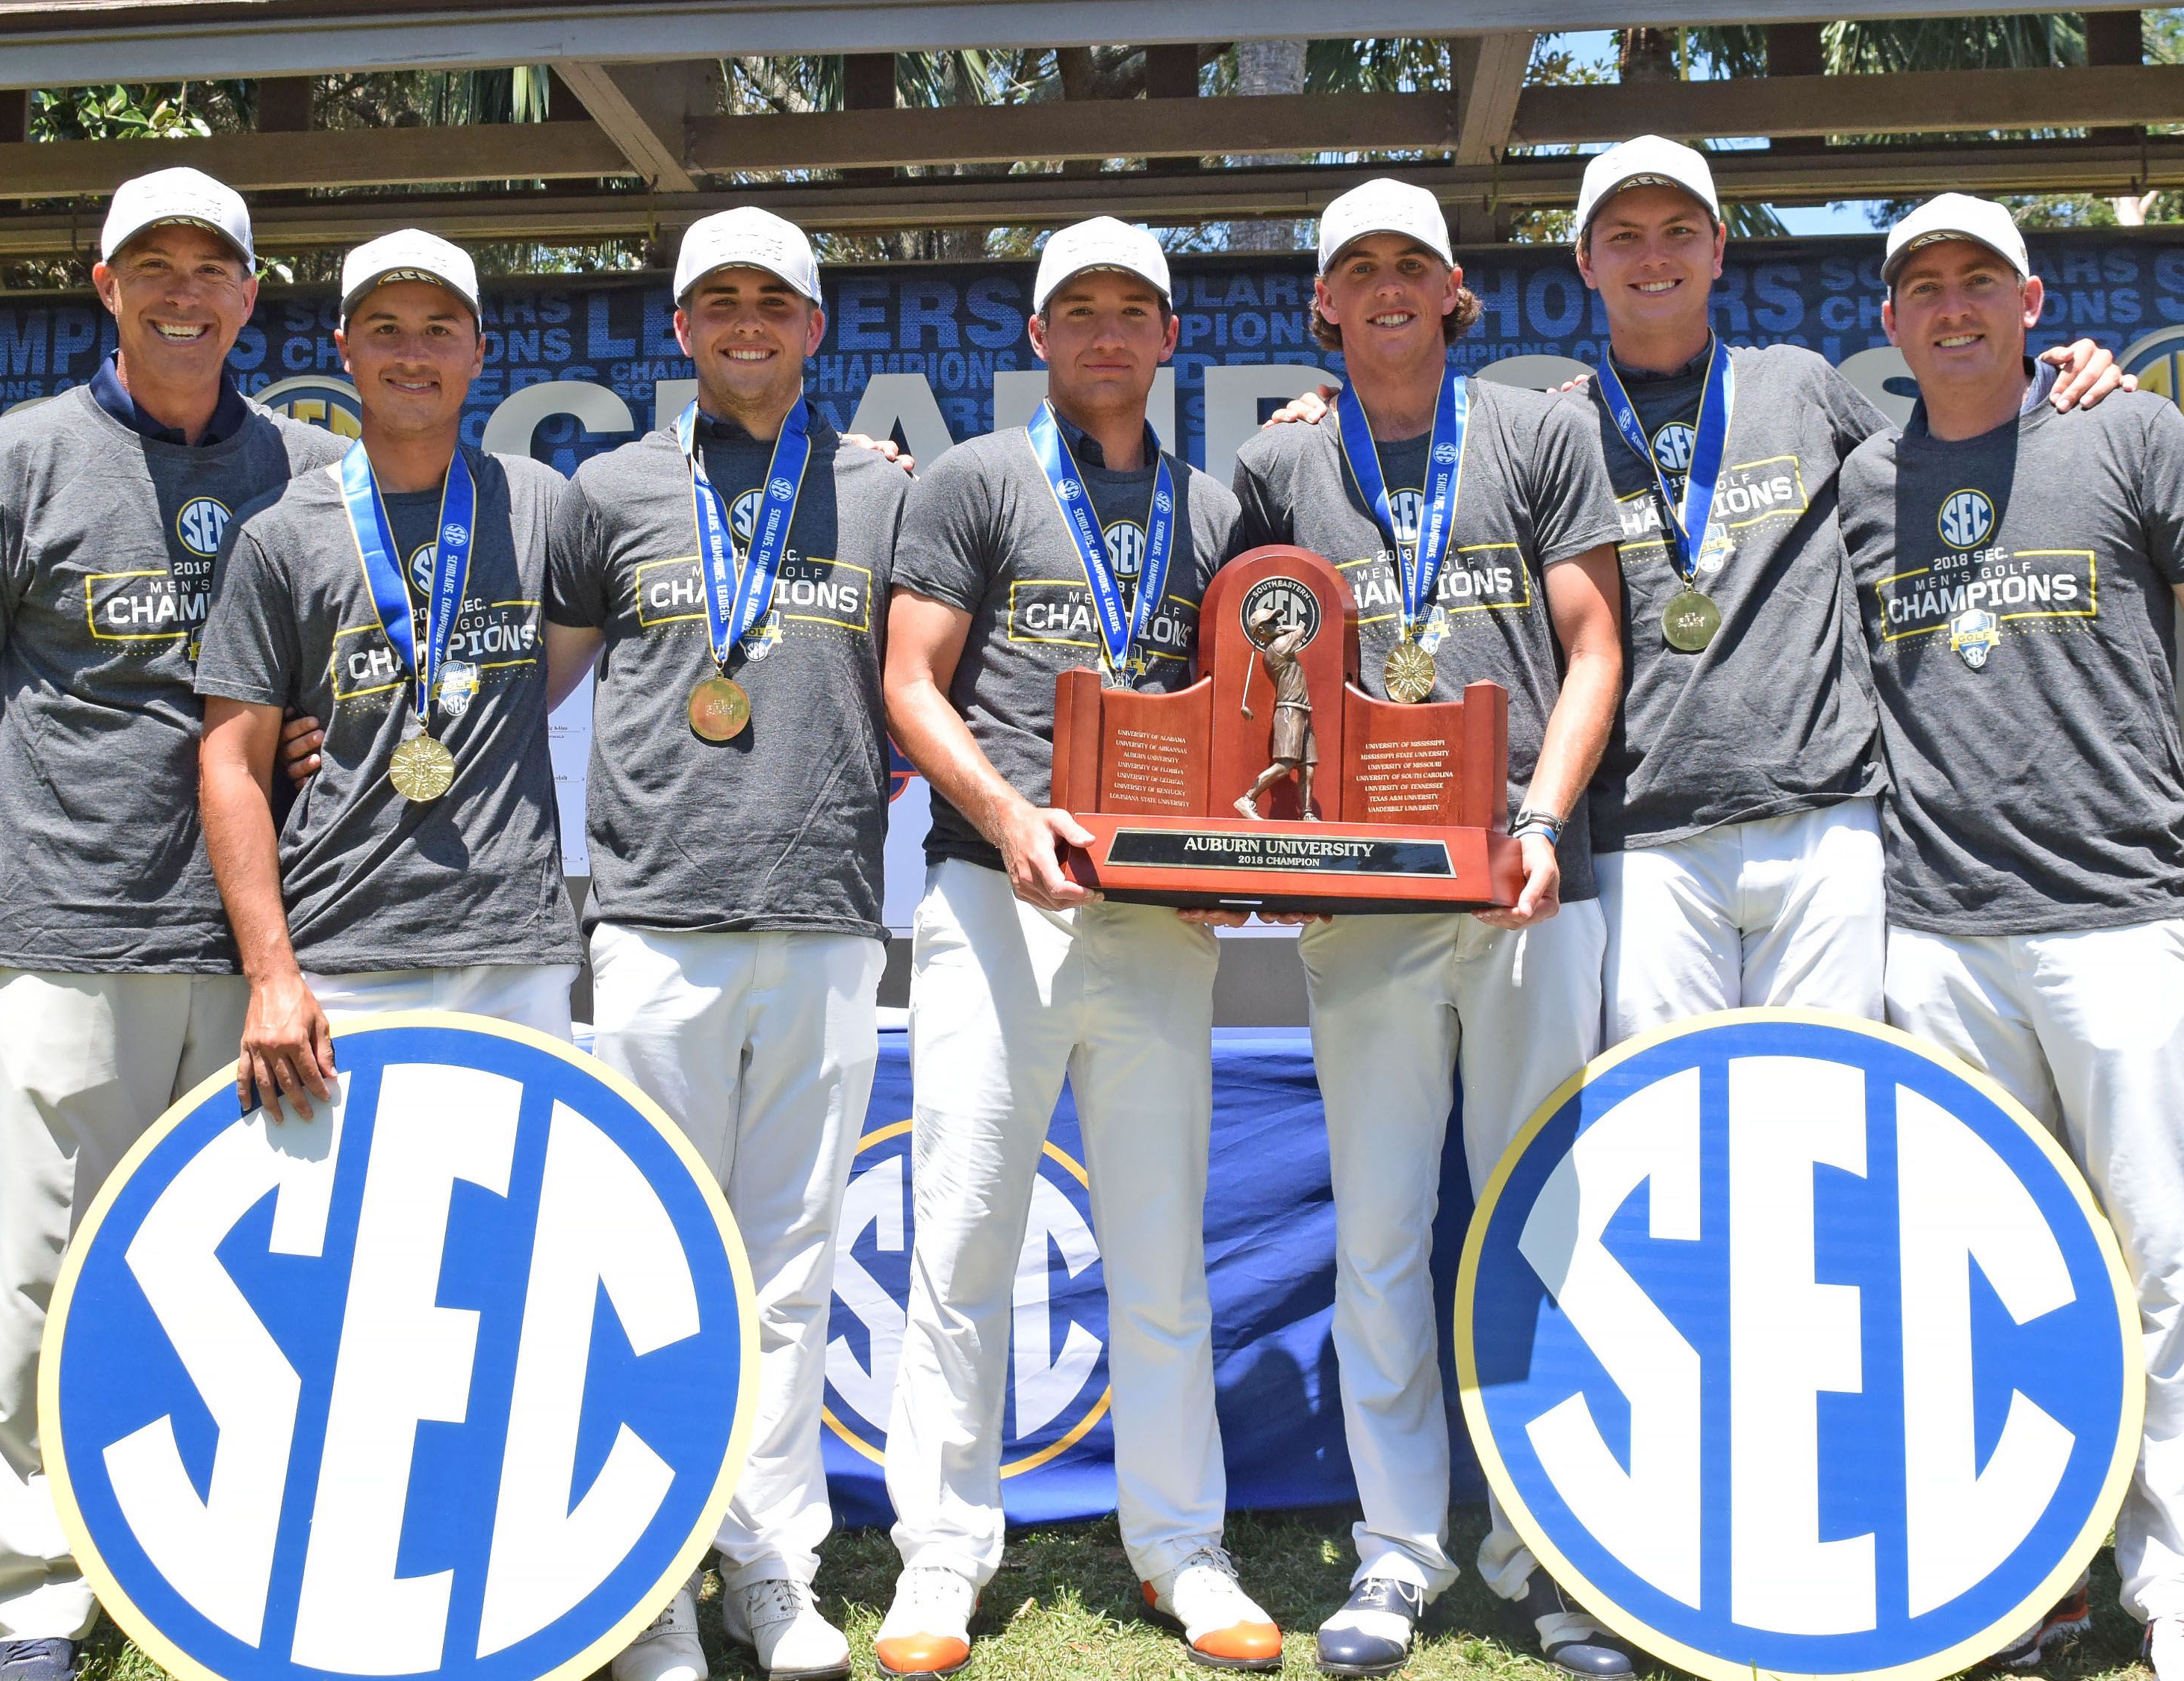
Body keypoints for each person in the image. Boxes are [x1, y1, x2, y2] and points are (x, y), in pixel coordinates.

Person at [1276, 137, 2127, 1044]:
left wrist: (2048, 378)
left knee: (1825, 1109)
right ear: (1585, 262)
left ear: (1718, 249)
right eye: (1625, 235)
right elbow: (1423, 441)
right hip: (1643, 838)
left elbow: (1939, 457)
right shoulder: (1555, 425)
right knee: (1672, 1126)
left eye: (1679, 231)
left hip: (1821, 817)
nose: (1653, 256)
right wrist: (1333, 407)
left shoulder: (1798, 383)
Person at [1840, 194, 2184, 1681]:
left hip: (2116, 918)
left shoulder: (2128, 432)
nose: (1952, 305)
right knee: (1976, 1269)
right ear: (1893, 323)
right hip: (1933, 933)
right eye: (1923, 286)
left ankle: (2179, 1588)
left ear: (2033, 303)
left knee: (2161, 1262)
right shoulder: (1860, 478)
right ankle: (2023, 1573)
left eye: (1979, 278)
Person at [0, 167, 344, 1681]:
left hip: (266, 950)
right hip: (72, 936)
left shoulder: (312, 472)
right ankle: (38, 1593)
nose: (184, 291)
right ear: (103, 286)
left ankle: (222, 1553)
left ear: (249, 298)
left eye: (213, 268)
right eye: (153, 264)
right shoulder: (15, 465)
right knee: (47, 1271)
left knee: (259, 1264)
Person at [1229, 178, 1634, 1680]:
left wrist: (1541, 814)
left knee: (1544, 1227)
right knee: (1384, 1231)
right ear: (1322, 303)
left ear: (1456, 291)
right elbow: (1246, 686)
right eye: (1358, 269)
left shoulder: (1535, 432)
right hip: (1367, 903)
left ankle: (1550, 1556)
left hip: (1533, 884)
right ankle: (1398, 1548)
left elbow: (1594, 642)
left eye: (1413, 264)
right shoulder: (1281, 469)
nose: (1387, 288)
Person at [874, 218, 1279, 1676]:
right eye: (1077, 310)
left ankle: (1180, 1544)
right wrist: (1008, 810)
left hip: (1152, 924)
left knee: (1162, 1246)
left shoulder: (1216, 506)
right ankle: (940, 1556)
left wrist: (1229, 851)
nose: (1106, 332)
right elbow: (911, 683)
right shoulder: (982, 481)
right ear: (1036, 335)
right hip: (993, 902)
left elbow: (1245, 716)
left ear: (1169, 335)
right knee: (968, 1231)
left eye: (1132, 310)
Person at [548, 206, 910, 1681]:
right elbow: (523, 682)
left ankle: (771, 1568)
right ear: (682, 328)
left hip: (826, 919)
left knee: (787, 1269)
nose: (748, 321)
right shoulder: (609, 490)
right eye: (720, 301)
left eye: (777, 300)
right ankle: (644, 1588)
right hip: (651, 923)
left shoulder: (887, 495)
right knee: (643, 1261)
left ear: (815, 330)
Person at [193, 228, 582, 1124]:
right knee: (334, 1255)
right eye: (385, 329)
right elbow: (229, 765)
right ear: (345, 350)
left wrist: (857, 459)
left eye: (439, 329)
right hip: (338, 958)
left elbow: (680, 521)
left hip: (512, 958)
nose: (413, 354)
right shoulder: (277, 534)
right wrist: (272, 975)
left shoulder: (542, 505)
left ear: (479, 351)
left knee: (511, 1254)